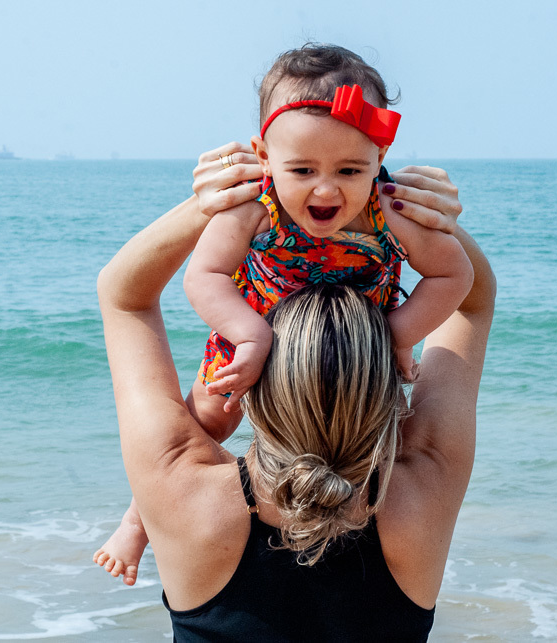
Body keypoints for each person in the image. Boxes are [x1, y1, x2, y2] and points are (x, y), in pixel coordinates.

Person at [96, 44, 474, 584]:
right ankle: (139, 521)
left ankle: (360, 515)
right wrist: (251, 337)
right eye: (302, 169)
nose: (326, 188)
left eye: (350, 169)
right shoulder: (256, 206)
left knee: (379, 425)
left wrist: (398, 333)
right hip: (256, 320)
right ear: (264, 156)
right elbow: (204, 276)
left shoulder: (387, 210)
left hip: (351, 339)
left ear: (379, 156)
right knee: (205, 420)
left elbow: (452, 276)